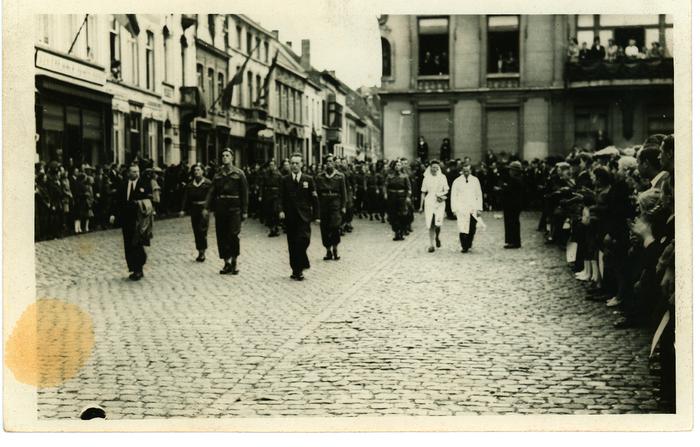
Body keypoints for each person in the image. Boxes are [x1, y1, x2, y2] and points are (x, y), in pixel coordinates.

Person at [205, 148, 249, 275]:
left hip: (235, 208)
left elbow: (245, 193)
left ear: (232, 158)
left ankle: (234, 260)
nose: (224, 157)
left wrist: (245, 210)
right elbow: (211, 192)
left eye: (227, 155)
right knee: (222, 236)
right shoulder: (218, 175)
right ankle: (226, 262)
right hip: (221, 209)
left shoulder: (239, 174)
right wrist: (206, 207)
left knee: (233, 235)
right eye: (223, 155)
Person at [279, 152, 320, 281]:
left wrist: (317, 216)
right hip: (290, 217)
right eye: (292, 163)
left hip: (304, 217)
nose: (294, 166)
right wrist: (280, 210)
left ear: (302, 164)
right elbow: (280, 197)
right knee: (292, 244)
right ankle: (296, 270)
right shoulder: (285, 180)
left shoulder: (308, 179)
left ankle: (301, 264)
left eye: (297, 163)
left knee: (303, 241)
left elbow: (314, 199)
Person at [110, 163, 153, 280]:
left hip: (139, 219)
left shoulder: (144, 184)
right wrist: (113, 214)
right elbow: (117, 201)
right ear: (128, 173)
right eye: (134, 171)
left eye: (138, 171)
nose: (136, 174)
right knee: (128, 243)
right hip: (126, 219)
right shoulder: (123, 185)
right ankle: (133, 268)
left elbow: (149, 200)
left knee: (137, 243)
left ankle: (138, 269)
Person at [316, 154, 347, 261]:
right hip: (324, 204)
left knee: (335, 226)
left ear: (334, 163)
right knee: (324, 228)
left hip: (335, 203)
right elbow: (317, 194)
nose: (329, 163)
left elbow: (344, 192)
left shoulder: (340, 176)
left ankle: (335, 248)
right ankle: (328, 250)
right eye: (327, 162)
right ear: (325, 164)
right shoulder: (320, 177)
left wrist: (343, 206)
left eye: (331, 161)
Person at [180, 163, 212, 262]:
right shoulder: (190, 185)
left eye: (199, 170)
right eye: (195, 170)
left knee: (202, 230)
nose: (196, 172)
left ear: (203, 171)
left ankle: (202, 252)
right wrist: (183, 209)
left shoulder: (207, 183)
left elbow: (211, 197)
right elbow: (185, 198)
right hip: (194, 209)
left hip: (204, 209)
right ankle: (199, 250)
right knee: (196, 231)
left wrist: (208, 208)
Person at [450, 163, 483, 253]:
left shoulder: (475, 180)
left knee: (472, 226)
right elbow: (453, 196)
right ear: (462, 171)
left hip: (473, 207)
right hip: (461, 208)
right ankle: (464, 245)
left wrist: (479, 208)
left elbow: (479, 195)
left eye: (467, 171)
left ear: (470, 170)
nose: (466, 173)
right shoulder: (457, 181)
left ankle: (469, 242)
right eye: (464, 171)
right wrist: (454, 209)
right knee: (462, 227)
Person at [419, 159, 449, 253]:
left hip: (439, 202)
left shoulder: (442, 177)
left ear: (438, 168)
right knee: (430, 223)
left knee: (438, 224)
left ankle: (437, 237)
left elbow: (447, 189)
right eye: (433, 168)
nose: (434, 169)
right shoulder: (426, 178)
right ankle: (431, 244)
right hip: (429, 202)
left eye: (436, 168)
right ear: (430, 168)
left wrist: (442, 197)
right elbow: (423, 193)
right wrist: (421, 206)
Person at [384, 160, 412, 241]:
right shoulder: (389, 176)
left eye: (399, 165)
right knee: (393, 215)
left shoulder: (405, 176)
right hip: (392, 198)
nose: (397, 166)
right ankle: (396, 232)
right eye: (396, 165)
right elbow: (385, 186)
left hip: (402, 198)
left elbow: (409, 188)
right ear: (393, 167)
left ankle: (401, 231)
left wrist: (408, 197)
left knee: (402, 215)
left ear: (401, 167)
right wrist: (385, 193)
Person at [501, 161, 525, 249]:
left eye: (511, 170)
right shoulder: (519, 179)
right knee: (513, 222)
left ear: (515, 171)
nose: (509, 172)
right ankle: (513, 241)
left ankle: (513, 242)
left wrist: (503, 188)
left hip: (512, 205)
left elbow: (509, 191)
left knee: (512, 223)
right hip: (514, 205)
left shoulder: (515, 180)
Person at [260, 159, 282, 237]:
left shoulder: (279, 175)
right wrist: (261, 195)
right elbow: (262, 185)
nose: (271, 166)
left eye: (273, 165)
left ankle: (276, 228)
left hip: (276, 195)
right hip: (268, 195)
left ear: (275, 165)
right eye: (270, 165)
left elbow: (281, 186)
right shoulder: (266, 174)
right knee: (269, 212)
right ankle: (271, 229)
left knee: (275, 212)